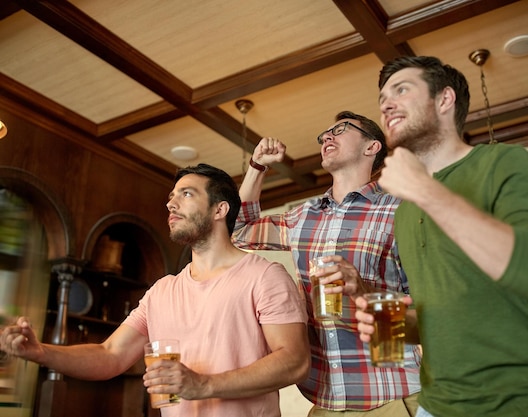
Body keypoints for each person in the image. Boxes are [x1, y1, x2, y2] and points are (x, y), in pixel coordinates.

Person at [355, 55, 528, 417]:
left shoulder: (504, 163)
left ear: (444, 100)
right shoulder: (407, 209)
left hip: (520, 403)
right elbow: (444, 317)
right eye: (382, 97)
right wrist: (400, 327)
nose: (386, 104)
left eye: (402, 90)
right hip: (437, 405)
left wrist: (426, 191)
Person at [0, 164, 310, 417]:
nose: (171, 203)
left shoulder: (264, 275)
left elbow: (294, 361)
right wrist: (40, 352)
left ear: (220, 210)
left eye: (186, 194)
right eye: (172, 196)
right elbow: (109, 355)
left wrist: (203, 384)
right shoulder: (162, 290)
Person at [232, 111, 421, 416]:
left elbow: (424, 314)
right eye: (323, 135)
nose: (326, 137)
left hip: (392, 394)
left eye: (340, 130)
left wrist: (363, 291)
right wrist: (257, 167)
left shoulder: (401, 212)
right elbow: (238, 231)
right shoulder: (302, 216)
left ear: (371, 147)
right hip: (325, 400)